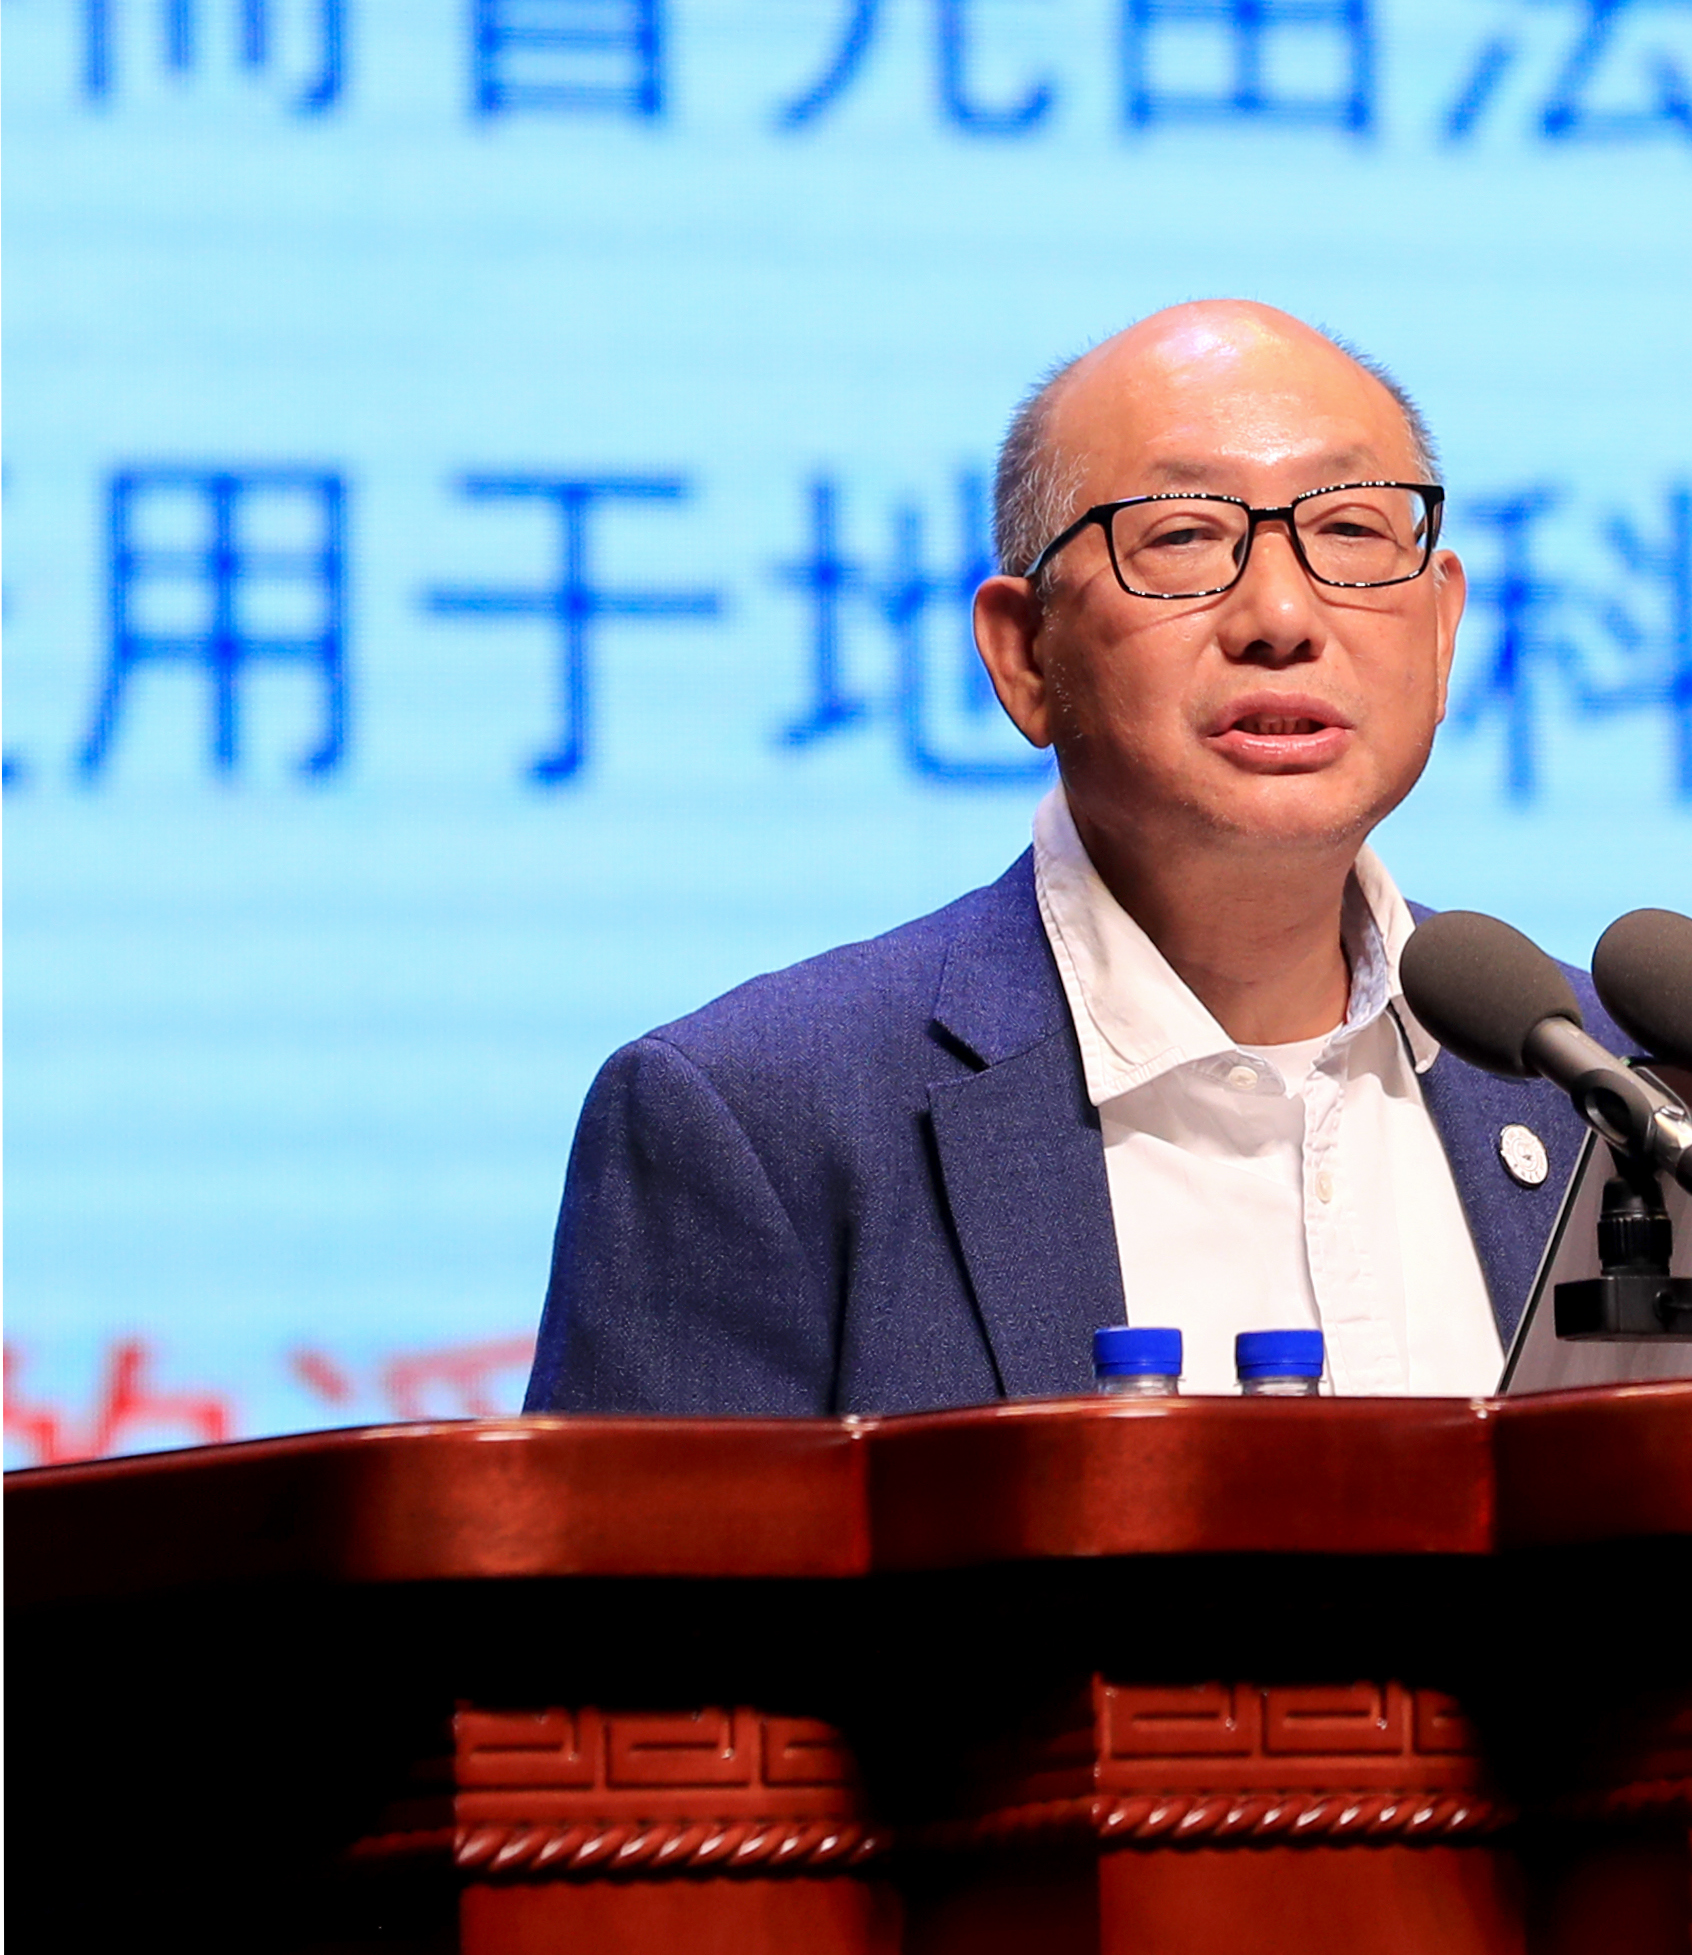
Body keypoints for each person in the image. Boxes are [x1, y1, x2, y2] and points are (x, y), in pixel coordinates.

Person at [523, 301, 1612, 1412]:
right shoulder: (761, 1120)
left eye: (1349, 530)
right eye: (1182, 538)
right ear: (1023, 654)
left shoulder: (1627, 1094)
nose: (1283, 614)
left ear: (1441, 629)